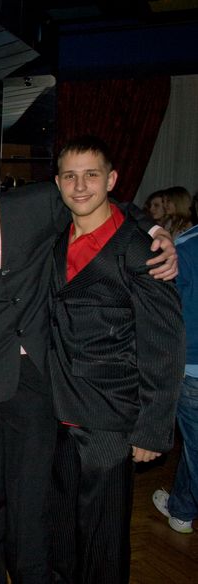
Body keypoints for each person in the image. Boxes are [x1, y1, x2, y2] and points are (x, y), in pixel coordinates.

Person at [0, 136, 178, 584]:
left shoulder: (33, 204)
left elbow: (99, 201)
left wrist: (156, 230)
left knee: (33, 501)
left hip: (40, 381)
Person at [49, 136, 184, 583]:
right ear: (58, 183)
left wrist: (152, 427)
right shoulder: (56, 233)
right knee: (62, 528)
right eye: (70, 176)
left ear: (111, 180)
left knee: (103, 536)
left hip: (110, 418)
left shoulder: (140, 250)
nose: (80, 186)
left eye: (91, 175)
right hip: (57, 411)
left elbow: (164, 345)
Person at [153, 219, 198, 535]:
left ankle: (182, 508)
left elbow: (164, 316)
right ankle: (182, 509)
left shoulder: (183, 247)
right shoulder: (183, 247)